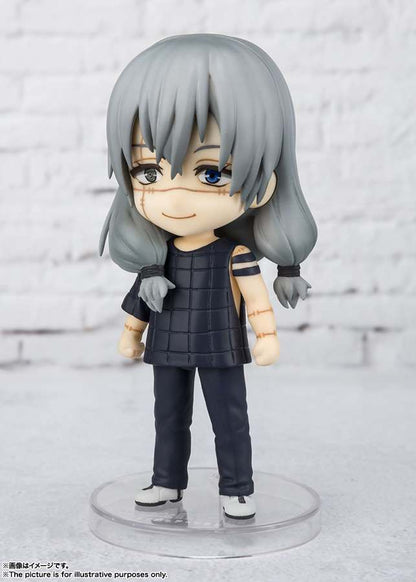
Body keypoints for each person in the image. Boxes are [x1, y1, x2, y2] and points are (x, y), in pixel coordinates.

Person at [100, 34, 317, 519]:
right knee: (168, 417)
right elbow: (140, 303)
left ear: (265, 181)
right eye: (149, 172)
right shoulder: (157, 257)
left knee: (229, 419)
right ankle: (166, 481)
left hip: (220, 347)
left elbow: (256, 300)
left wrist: (266, 336)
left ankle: (237, 487)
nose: (175, 198)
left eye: (212, 173)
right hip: (167, 348)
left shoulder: (234, 255)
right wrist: (131, 334)